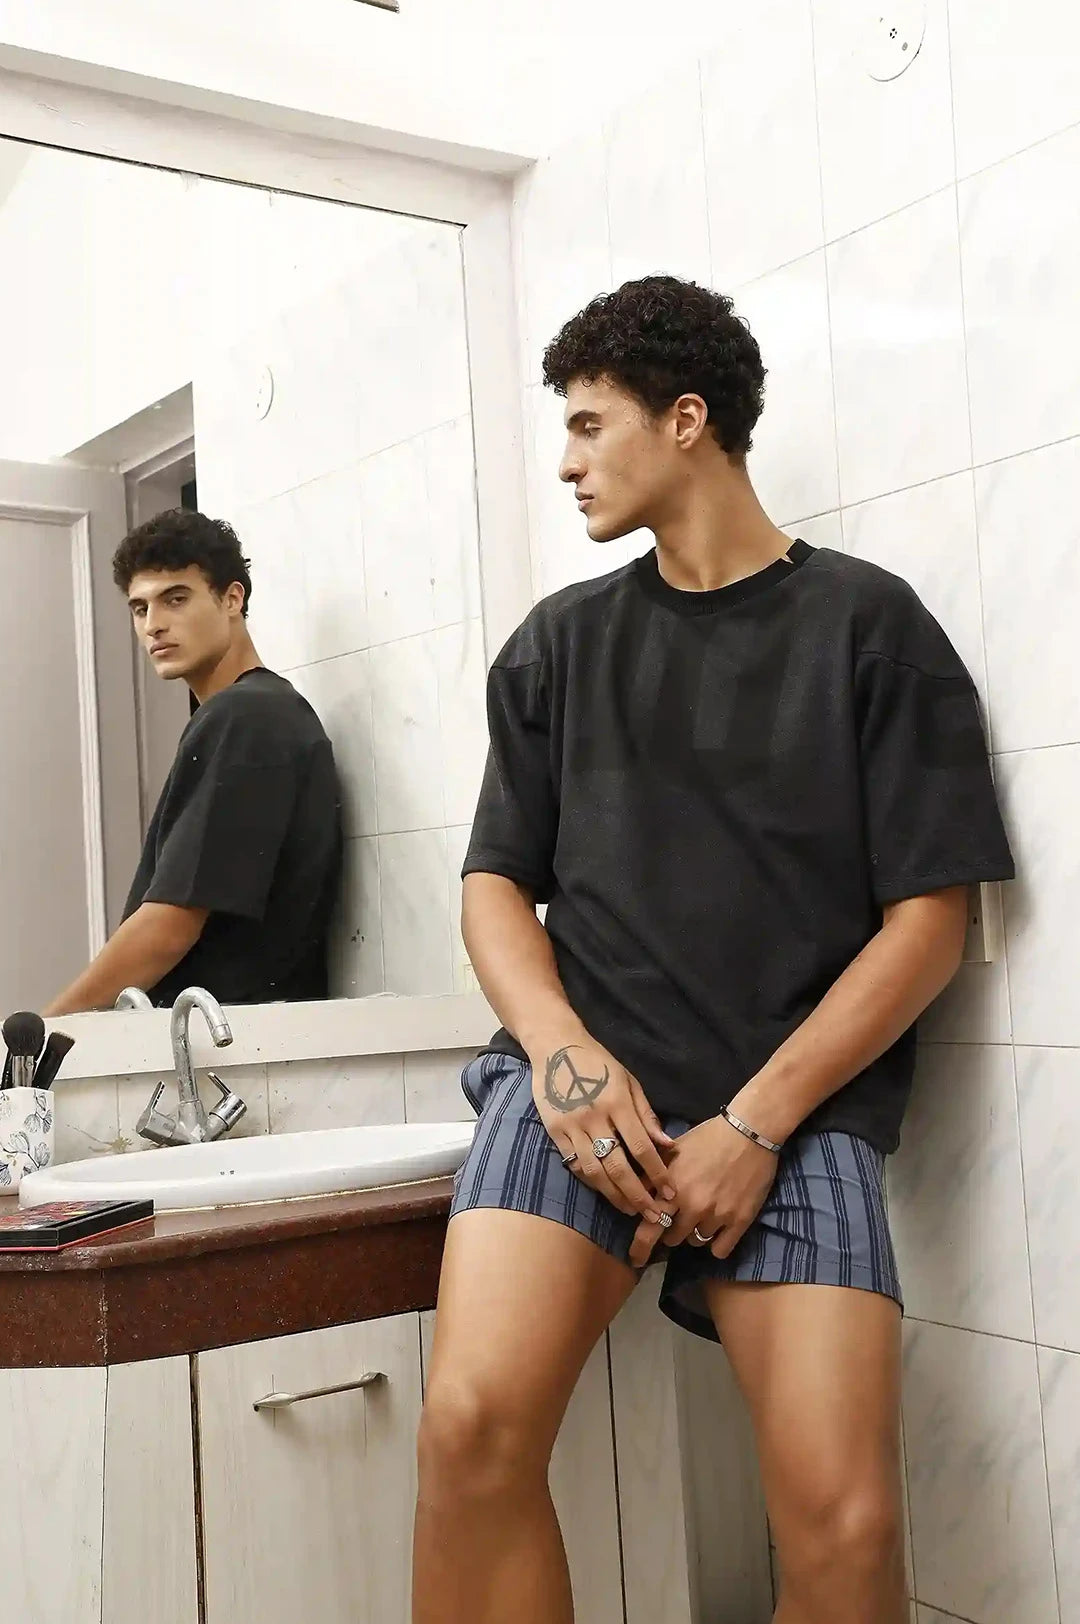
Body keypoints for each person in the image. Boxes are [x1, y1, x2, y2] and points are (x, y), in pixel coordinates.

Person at [412, 276, 1015, 1624]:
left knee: (846, 1524)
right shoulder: (560, 648)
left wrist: (758, 1118)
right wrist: (561, 1060)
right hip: (584, 1090)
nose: (566, 463)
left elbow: (931, 923)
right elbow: (496, 887)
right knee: (468, 1426)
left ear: (687, 422)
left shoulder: (870, 629)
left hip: (789, 1115)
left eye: (587, 425)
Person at [46, 510, 342, 1015]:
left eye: (175, 599)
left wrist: (45, 1040)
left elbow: (169, 925)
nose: (154, 624)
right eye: (139, 609)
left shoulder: (246, 716)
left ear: (232, 598)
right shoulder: (259, 713)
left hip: (230, 1045)